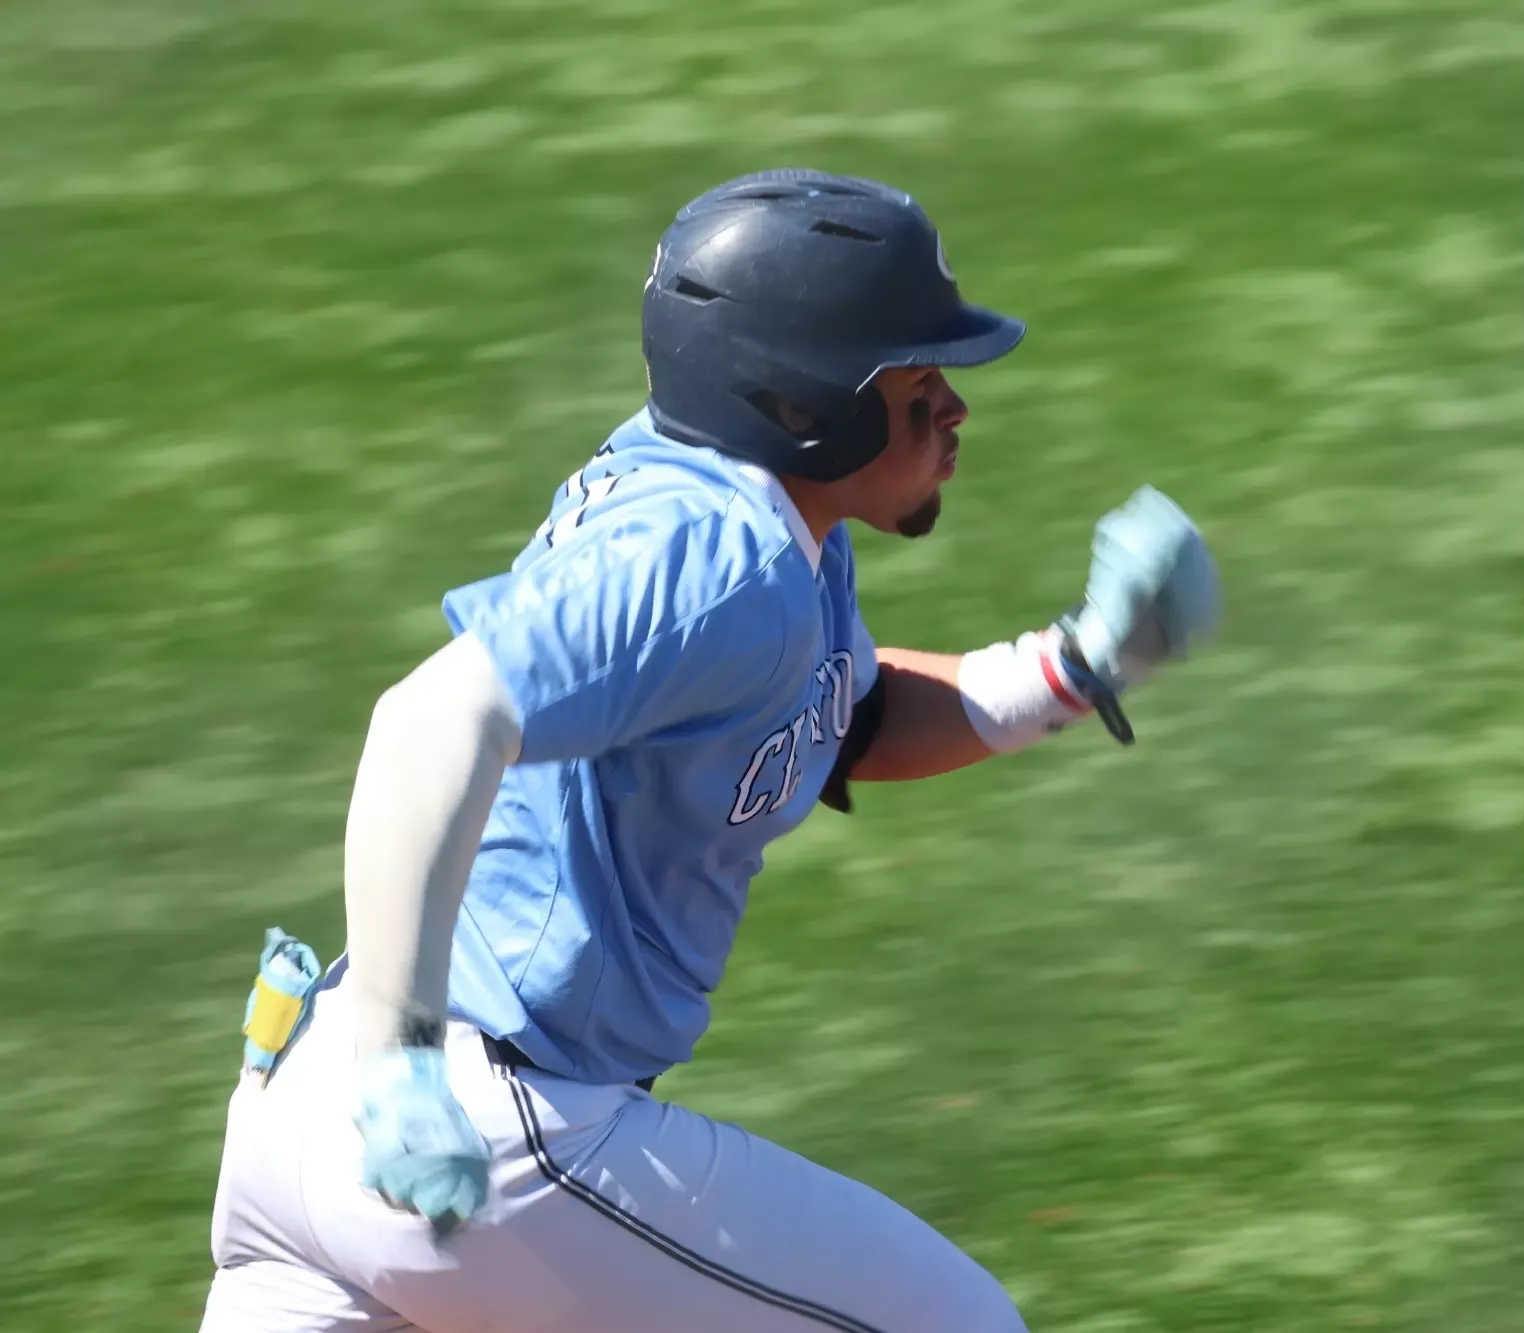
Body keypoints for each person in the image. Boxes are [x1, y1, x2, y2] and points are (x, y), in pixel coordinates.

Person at [200, 168, 1219, 1332]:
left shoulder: (757, 528)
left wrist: (1070, 666)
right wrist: (402, 1063)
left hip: (307, 1114)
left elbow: (840, 713)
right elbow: (427, 720)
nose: (953, 411)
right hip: (473, 1119)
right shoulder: (716, 558)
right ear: (801, 402)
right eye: (917, 380)